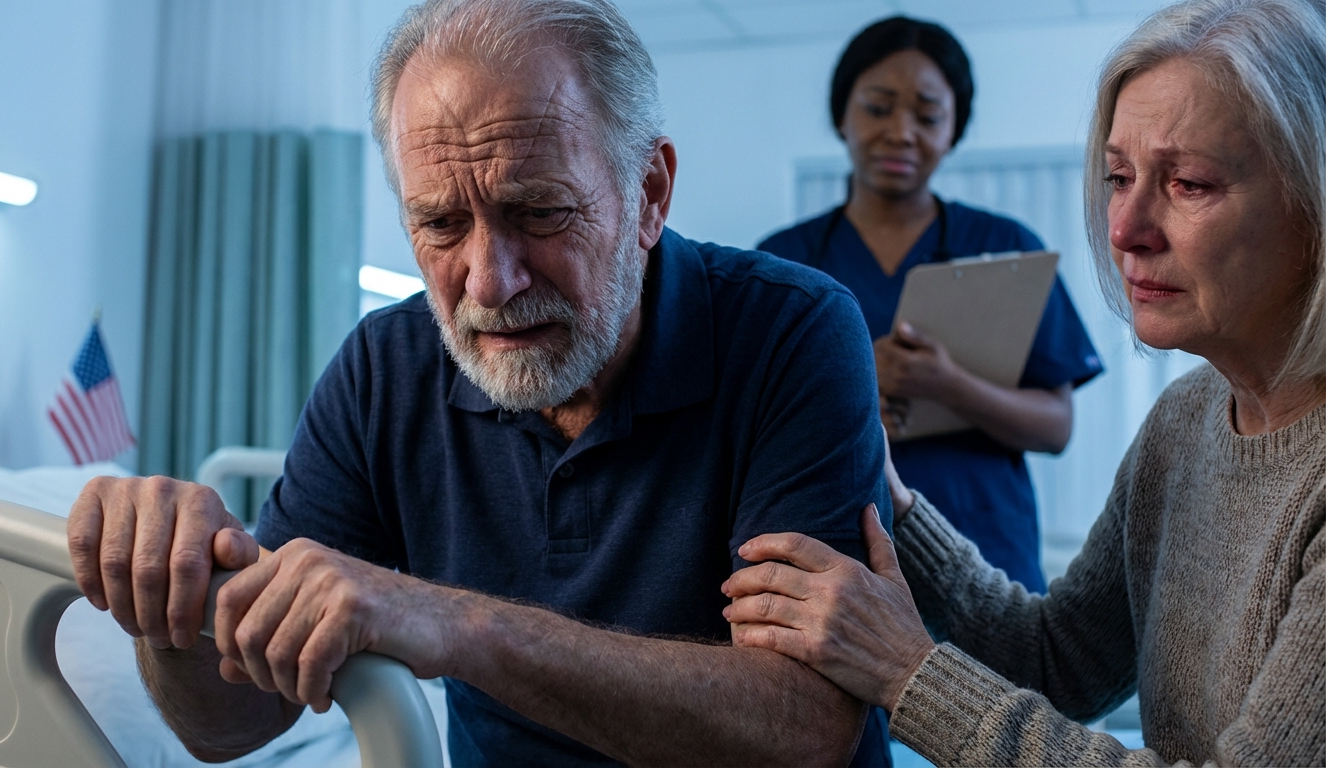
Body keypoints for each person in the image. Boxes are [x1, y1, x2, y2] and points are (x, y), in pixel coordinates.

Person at [65, 0, 896, 765]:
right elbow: (227, 725)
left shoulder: (794, 331)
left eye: (540, 213)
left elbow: (806, 725)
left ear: (648, 193)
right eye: (440, 224)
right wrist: (171, 594)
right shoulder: (384, 371)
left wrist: (453, 621)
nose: (489, 282)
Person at [723, 0, 1326, 764]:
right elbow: (1058, 662)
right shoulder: (1187, 420)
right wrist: (896, 502)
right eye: (1118, 176)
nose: (1121, 230)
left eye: (1190, 183)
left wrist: (908, 671)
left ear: (1314, 201)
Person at [758, 16, 1102, 593]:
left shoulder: (1004, 248)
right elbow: (747, 421)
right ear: (842, 114)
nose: (901, 132)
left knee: (989, 685)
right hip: (835, 552)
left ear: (954, 131)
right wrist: (855, 383)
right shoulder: (782, 264)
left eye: (927, 116)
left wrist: (947, 385)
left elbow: (1056, 427)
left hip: (983, 554)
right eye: (878, 107)